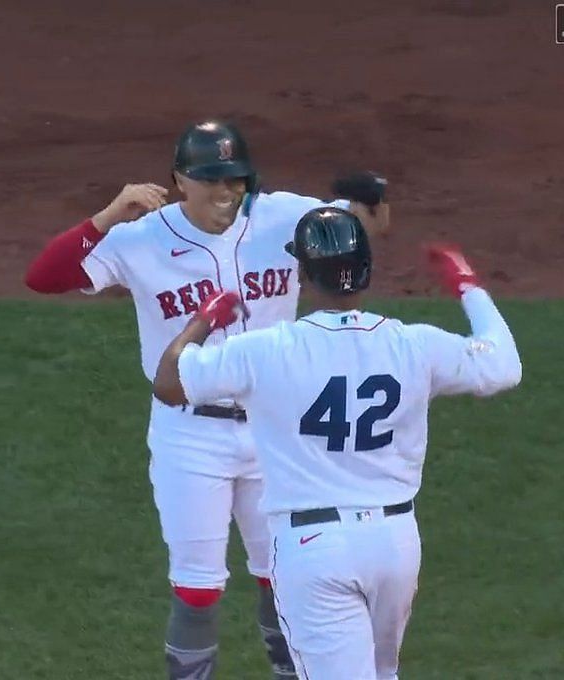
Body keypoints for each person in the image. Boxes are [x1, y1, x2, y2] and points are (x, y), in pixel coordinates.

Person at [24, 120, 388, 679]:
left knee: (284, 572)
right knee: (196, 586)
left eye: (236, 180)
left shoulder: (284, 215)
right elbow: (44, 277)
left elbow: (358, 224)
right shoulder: (140, 237)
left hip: (274, 429)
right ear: (180, 180)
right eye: (212, 181)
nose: (226, 193)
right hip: (189, 433)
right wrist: (105, 218)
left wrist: (370, 200)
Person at [153, 207, 522, 680]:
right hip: (395, 544)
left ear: (304, 273)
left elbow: (169, 383)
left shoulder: (265, 350)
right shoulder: (415, 344)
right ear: (367, 270)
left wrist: (204, 320)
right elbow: (504, 366)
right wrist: (468, 286)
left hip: (314, 548)